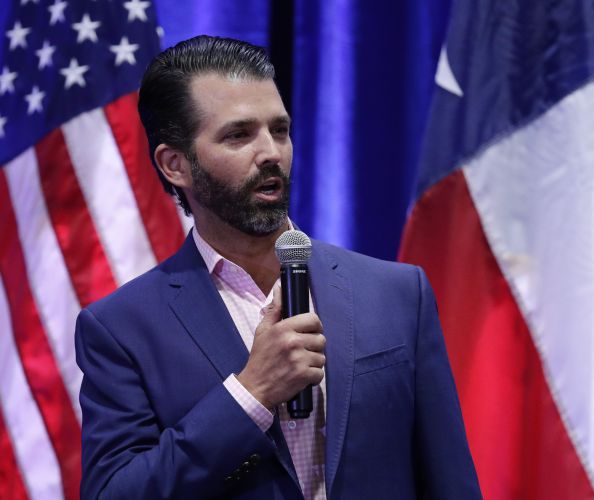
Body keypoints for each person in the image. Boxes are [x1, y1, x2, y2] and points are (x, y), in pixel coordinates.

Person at [75, 35, 481, 499]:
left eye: (280, 129)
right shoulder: (120, 329)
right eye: (238, 134)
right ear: (175, 165)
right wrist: (251, 394)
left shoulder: (397, 294)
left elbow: (450, 483)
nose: (271, 152)